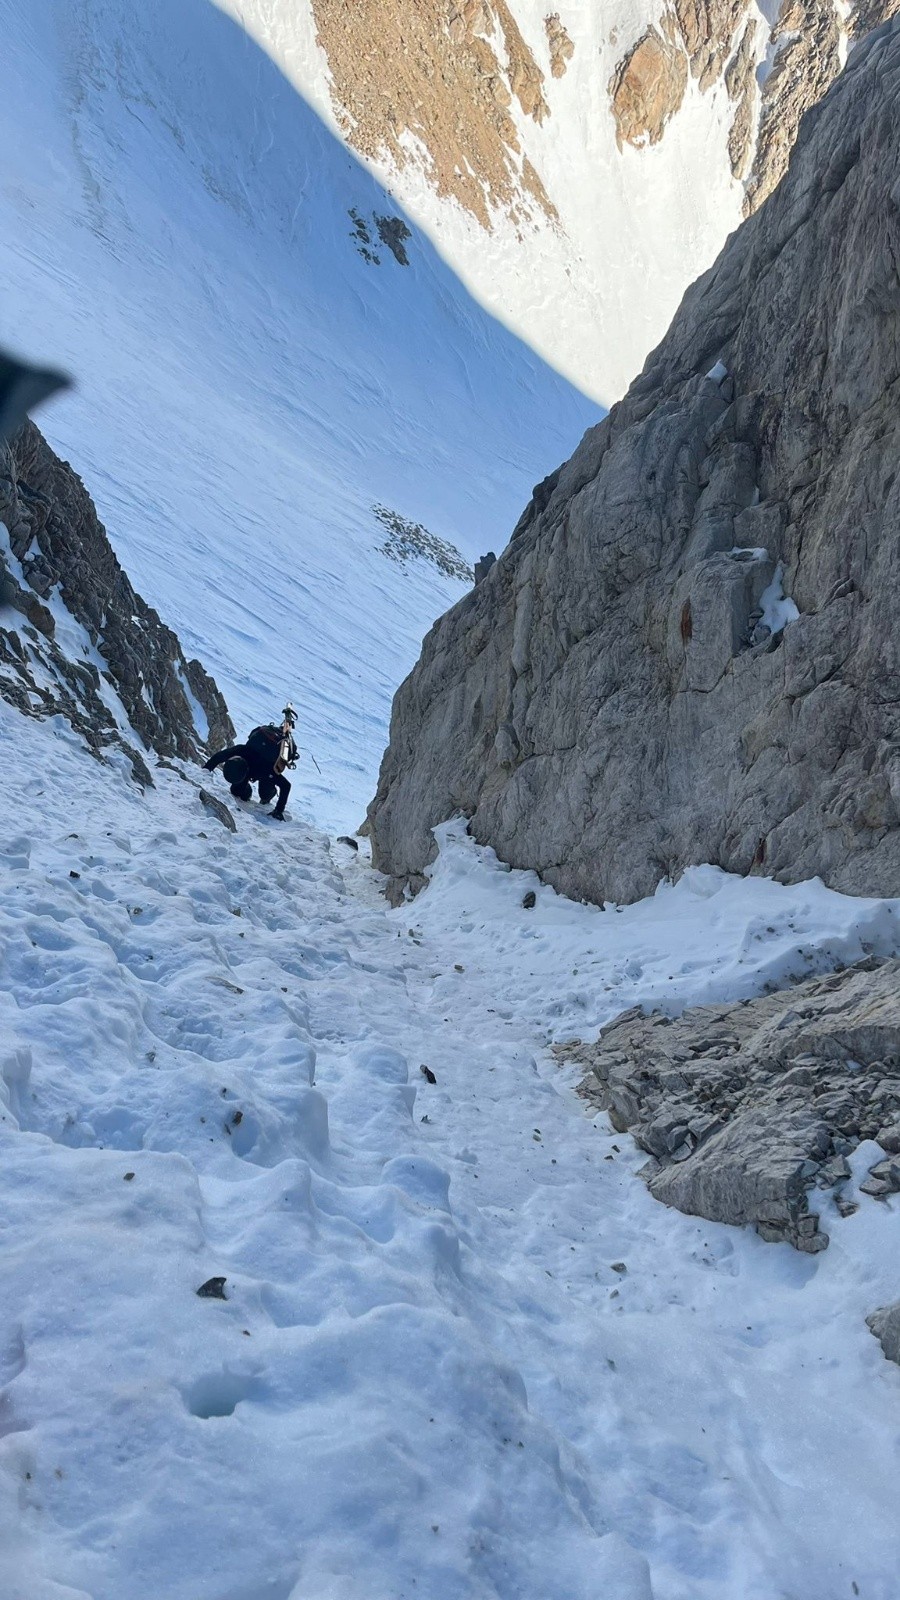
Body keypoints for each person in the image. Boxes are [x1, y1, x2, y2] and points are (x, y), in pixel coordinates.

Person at [204, 711, 298, 820]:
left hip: (267, 768)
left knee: (265, 794)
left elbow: (286, 786)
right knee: (237, 792)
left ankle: (267, 797)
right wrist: (205, 771)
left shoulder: (263, 767)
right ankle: (252, 795)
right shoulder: (242, 751)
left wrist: (278, 810)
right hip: (257, 768)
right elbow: (220, 756)